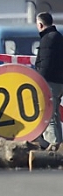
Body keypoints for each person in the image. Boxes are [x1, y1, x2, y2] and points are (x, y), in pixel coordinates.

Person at [35, 12, 63, 144]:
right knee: (54, 115)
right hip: (59, 82)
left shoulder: (47, 39)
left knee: (49, 116)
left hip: (50, 82)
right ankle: (58, 145)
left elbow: (45, 64)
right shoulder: (58, 36)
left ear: (40, 24)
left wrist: (39, 81)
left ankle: (54, 148)